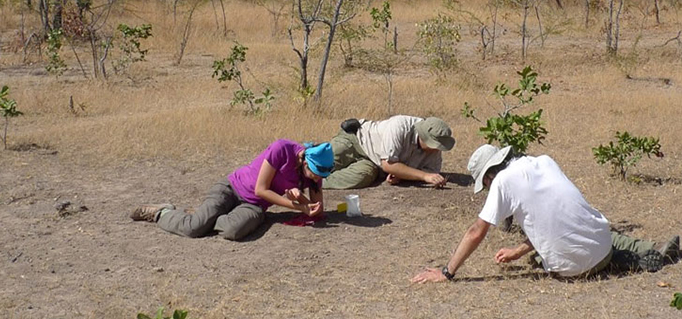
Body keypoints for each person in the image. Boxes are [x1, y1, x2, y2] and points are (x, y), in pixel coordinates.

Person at [411, 144, 680, 283]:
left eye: (485, 183)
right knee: (602, 234)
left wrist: (447, 272)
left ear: (490, 175)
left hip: (572, 269)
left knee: (542, 257)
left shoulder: (502, 182)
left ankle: (627, 260)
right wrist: (517, 250)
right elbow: (555, 218)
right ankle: (644, 251)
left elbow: (476, 231)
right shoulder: (543, 161)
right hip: (602, 241)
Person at [130, 139, 333, 241]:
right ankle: (161, 212)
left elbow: (317, 208)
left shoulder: (315, 175)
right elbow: (261, 189)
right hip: (232, 188)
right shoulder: (282, 148)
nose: (316, 178)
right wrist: (296, 205)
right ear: (305, 158)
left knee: (233, 231)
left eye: (320, 176)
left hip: (254, 205)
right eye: (313, 172)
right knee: (192, 229)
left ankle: (207, 216)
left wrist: (306, 204)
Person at [322, 115, 455, 190]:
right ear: (423, 136)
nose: (436, 149)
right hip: (356, 140)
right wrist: (425, 176)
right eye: (434, 145)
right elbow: (389, 164)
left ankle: (316, 182)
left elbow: (429, 171)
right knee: (324, 162)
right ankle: (306, 169)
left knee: (362, 177)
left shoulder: (434, 151)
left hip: (372, 161)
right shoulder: (399, 126)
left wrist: (402, 175)